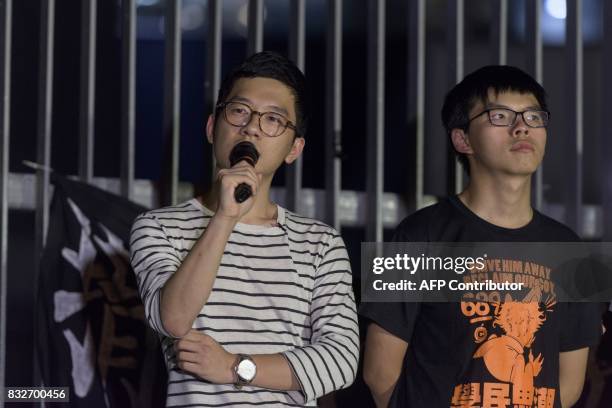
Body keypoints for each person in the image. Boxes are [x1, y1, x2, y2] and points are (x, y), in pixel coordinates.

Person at [360, 65, 601, 408]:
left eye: (534, 117)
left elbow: (571, 382)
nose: (521, 128)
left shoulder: (574, 251)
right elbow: (379, 372)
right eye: (500, 116)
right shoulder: (418, 234)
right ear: (462, 139)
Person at [130, 51, 358, 407]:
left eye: (272, 120)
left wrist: (235, 367)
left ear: (294, 149)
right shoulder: (159, 227)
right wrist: (225, 217)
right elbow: (172, 319)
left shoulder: (320, 243)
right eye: (239, 111)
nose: (251, 127)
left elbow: (341, 361)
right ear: (211, 127)